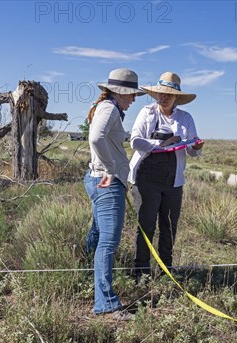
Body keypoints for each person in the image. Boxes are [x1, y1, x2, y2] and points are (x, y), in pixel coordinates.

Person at [128, 72, 204, 278]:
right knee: (146, 225)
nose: (164, 97)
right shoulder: (147, 112)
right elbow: (135, 140)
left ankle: (166, 271)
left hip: (173, 181)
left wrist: (196, 147)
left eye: (169, 94)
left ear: (176, 97)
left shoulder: (185, 118)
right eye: (161, 93)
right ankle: (141, 271)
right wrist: (162, 145)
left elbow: (192, 151)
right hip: (146, 179)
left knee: (169, 226)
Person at [84, 68, 145, 319]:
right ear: (119, 92)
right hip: (106, 182)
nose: (133, 100)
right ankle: (106, 304)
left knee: (98, 234)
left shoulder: (107, 107)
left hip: (98, 179)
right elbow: (96, 138)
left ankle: (84, 275)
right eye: (131, 95)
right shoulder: (109, 108)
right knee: (108, 242)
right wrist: (110, 169)